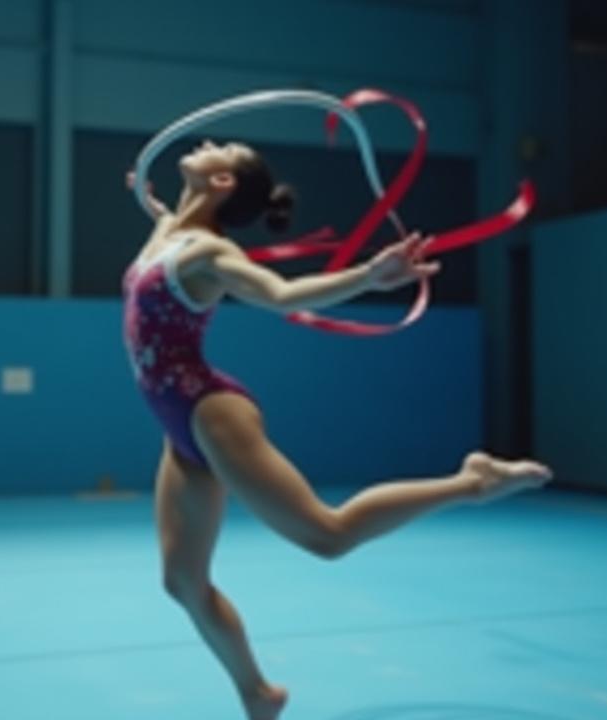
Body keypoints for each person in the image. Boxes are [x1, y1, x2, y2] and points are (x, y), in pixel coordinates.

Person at [122, 139, 553, 720]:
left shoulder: (209, 255)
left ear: (222, 182)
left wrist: (370, 277)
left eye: (220, 147)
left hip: (207, 409)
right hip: (175, 422)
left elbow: (282, 294)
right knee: (181, 581)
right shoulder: (171, 229)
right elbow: (171, 218)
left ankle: (472, 482)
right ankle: (259, 693)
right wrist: (150, 197)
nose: (206, 142)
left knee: (328, 535)